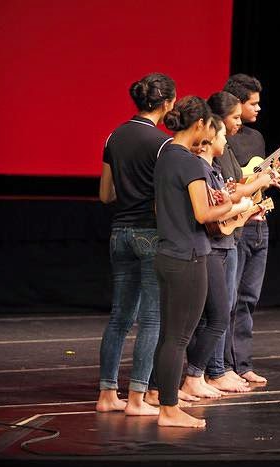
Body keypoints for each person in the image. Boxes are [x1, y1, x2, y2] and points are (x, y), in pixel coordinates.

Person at [97, 73, 176, 416]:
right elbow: (161, 202)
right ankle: (136, 399)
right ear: (168, 103)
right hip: (149, 233)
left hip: (119, 232)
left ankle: (106, 395)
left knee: (119, 317)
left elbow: (105, 194)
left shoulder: (114, 135)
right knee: (151, 319)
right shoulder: (162, 143)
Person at [152, 95, 233, 428]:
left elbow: (162, 208)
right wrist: (232, 204)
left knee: (169, 335)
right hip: (188, 255)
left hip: (167, 252)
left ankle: (162, 398)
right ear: (200, 124)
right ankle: (169, 409)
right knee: (178, 338)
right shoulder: (189, 162)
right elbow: (204, 214)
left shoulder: (165, 155)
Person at [181, 113, 262, 399]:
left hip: (224, 244)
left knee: (218, 314)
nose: (226, 141)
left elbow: (223, 210)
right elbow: (209, 213)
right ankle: (200, 374)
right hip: (210, 247)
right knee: (213, 316)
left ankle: (202, 373)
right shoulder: (199, 170)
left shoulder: (213, 169)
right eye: (222, 136)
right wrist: (239, 206)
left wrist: (245, 211)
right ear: (209, 139)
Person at [202, 90, 279, 393]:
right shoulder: (210, 156)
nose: (238, 124)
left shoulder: (227, 151)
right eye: (234, 117)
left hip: (234, 233)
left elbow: (233, 189)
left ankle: (227, 367)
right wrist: (258, 183)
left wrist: (249, 206)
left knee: (236, 302)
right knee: (219, 308)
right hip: (220, 240)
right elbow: (227, 194)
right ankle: (212, 370)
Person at [223, 74, 280, 384]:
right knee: (228, 299)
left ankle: (242, 363)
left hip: (259, 223)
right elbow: (228, 184)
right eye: (253, 103)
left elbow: (261, 180)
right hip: (234, 225)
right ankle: (221, 366)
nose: (258, 108)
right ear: (237, 104)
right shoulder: (221, 138)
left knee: (249, 298)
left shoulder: (256, 138)